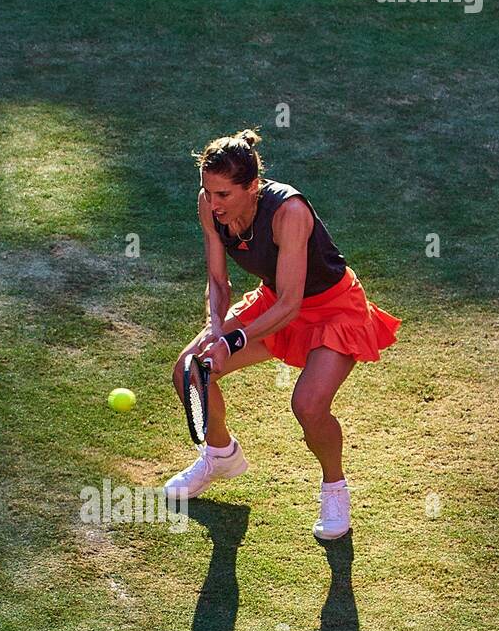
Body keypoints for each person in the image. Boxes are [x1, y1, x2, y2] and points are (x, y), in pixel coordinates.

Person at [165, 129, 401, 539]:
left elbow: (291, 304)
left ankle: (334, 488)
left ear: (253, 186)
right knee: (190, 371)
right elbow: (218, 283)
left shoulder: (289, 212)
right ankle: (220, 454)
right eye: (208, 191)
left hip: (332, 308)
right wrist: (214, 328)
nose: (213, 203)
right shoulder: (209, 206)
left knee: (309, 406)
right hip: (272, 301)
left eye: (223, 194)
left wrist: (231, 341)